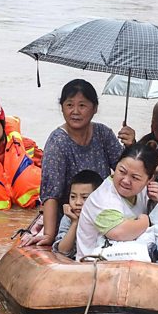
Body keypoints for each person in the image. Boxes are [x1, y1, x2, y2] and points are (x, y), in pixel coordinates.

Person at [21, 79, 135, 248]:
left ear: (95, 108)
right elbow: (51, 194)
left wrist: (132, 146)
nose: (75, 112)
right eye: (69, 105)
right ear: (62, 107)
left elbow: (126, 173)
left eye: (82, 105)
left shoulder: (103, 134)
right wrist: (49, 235)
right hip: (71, 216)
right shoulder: (57, 142)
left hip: (104, 212)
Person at [76, 144, 158, 261]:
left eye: (135, 177)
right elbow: (120, 232)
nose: (126, 180)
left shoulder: (145, 191)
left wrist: (157, 200)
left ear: (149, 179)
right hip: (93, 268)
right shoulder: (103, 198)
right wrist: (146, 221)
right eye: (122, 171)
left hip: (129, 265)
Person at [53, 170, 104, 259]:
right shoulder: (68, 217)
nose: (77, 202)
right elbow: (62, 251)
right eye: (73, 197)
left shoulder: (105, 215)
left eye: (84, 197)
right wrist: (74, 223)